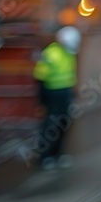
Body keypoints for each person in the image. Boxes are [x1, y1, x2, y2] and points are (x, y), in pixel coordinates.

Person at [33, 25, 80, 170]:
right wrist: (41, 100)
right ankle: (45, 156)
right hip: (52, 93)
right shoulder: (51, 54)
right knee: (51, 125)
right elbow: (40, 76)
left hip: (65, 93)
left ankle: (57, 154)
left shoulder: (68, 53)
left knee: (63, 124)